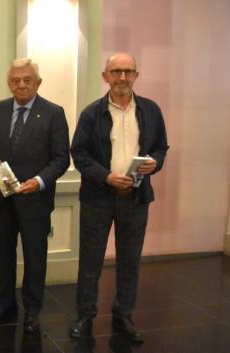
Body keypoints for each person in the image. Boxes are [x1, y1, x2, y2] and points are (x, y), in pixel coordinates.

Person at [69, 52, 168, 343]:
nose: (122, 77)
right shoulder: (91, 113)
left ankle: (123, 315)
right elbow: (79, 153)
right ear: (105, 76)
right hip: (97, 197)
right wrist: (106, 176)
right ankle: (85, 316)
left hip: (136, 198)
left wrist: (155, 163)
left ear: (136, 75)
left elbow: (161, 147)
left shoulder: (150, 110)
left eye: (128, 71)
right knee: (90, 261)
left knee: (129, 260)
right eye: (116, 71)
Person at [0, 58, 70, 333]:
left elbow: (60, 159)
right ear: (9, 84)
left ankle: (32, 310)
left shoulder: (54, 113)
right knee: (4, 253)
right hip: (3, 199)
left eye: (27, 80)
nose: (21, 84)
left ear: (37, 83)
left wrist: (39, 181)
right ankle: (5, 303)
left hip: (35, 200)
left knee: (35, 257)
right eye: (15, 80)